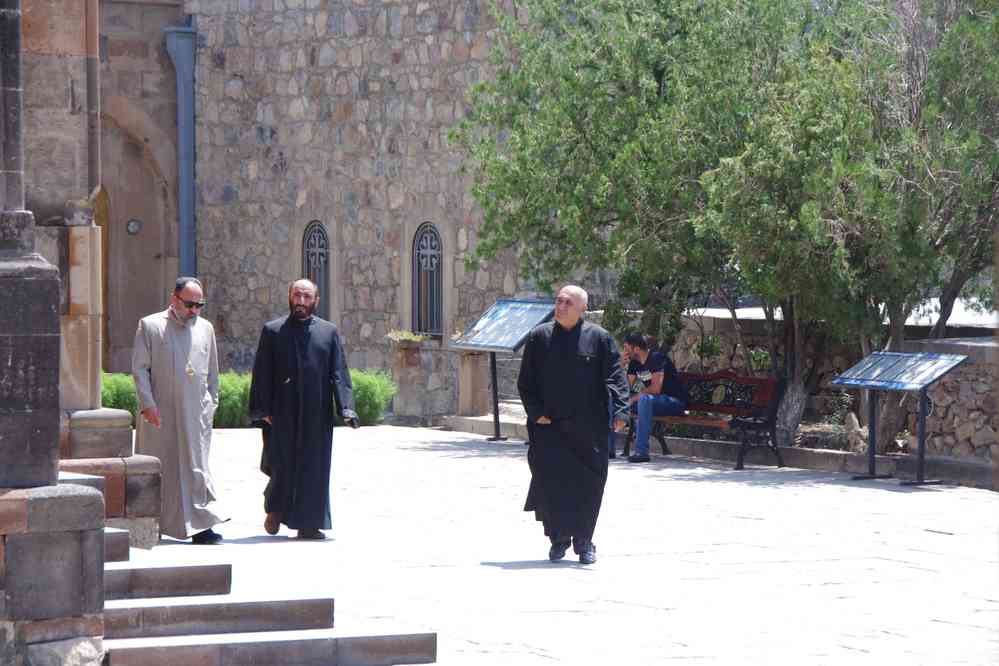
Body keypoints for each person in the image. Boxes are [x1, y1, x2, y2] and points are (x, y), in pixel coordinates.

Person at [517, 285, 629, 564]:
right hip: (549, 427)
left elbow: (616, 377)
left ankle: (584, 541)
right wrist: (535, 412)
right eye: (559, 301)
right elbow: (526, 381)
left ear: (582, 308)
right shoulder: (539, 337)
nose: (561, 306)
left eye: (568, 302)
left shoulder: (599, 338)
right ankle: (558, 538)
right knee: (550, 482)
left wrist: (621, 411)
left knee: (588, 485)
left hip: (588, 428)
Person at [248, 279, 359, 540]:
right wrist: (262, 409)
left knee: (313, 468)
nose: (300, 301)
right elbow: (261, 372)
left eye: (306, 297)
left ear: (316, 300)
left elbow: (339, 373)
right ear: (289, 297)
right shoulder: (273, 330)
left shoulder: (328, 332)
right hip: (280, 412)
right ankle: (276, 508)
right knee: (281, 464)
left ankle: (308, 524)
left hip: (316, 412)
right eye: (296, 295)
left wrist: (346, 408)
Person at [132, 277, 228, 544]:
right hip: (159, 413)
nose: (194, 310)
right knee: (160, 466)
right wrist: (148, 404)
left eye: (199, 305)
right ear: (174, 299)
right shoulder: (150, 325)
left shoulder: (205, 329)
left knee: (196, 467)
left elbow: (213, 373)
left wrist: (210, 406)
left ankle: (200, 525)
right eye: (189, 304)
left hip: (195, 414)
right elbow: (140, 369)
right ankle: (154, 525)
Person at [622, 332, 688, 463]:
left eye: (626, 348)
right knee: (612, 399)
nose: (624, 351)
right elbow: (627, 388)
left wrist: (633, 398)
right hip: (649, 403)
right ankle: (608, 450)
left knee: (644, 399)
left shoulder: (657, 358)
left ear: (636, 349)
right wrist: (620, 366)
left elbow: (656, 389)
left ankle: (641, 452)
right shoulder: (634, 363)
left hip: (673, 402)